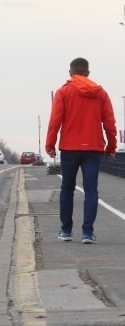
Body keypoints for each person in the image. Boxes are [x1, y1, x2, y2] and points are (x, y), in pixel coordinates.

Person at [45, 57, 117, 244]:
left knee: (67, 188)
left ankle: (66, 231)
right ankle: (87, 233)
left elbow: (55, 122)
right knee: (91, 190)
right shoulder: (101, 94)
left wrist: (50, 145)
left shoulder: (63, 92)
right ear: (88, 73)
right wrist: (111, 147)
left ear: (70, 73)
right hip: (93, 148)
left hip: (69, 148)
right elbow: (110, 123)